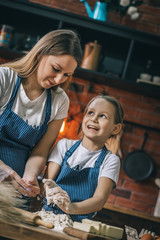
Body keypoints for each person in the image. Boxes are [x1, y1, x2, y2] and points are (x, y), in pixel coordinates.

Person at [0, 29, 82, 199]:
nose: (59, 80)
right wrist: (3, 169)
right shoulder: (4, 78)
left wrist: (29, 179)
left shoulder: (60, 101)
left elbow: (41, 150)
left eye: (67, 75)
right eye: (56, 69)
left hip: (15, 189)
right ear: (40, 54)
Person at [42, 95, 124, 222]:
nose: (94, 119)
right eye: (90, 113)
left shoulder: (111, 160)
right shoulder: (64, 145)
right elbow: (47, 183)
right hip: (47, 216)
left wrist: (71, 208)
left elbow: (99, 201)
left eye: (103, 116)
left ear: (115, 128)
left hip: (79, 224)